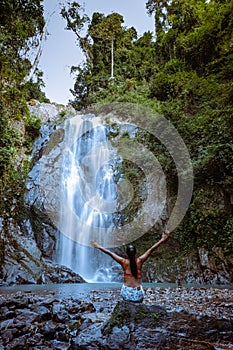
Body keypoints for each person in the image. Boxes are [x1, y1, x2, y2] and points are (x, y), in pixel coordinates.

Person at [90, 230, 170, 303]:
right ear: (135, 253)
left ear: (126, 254)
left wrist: (98, 246)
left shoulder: (123, 262)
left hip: (126, 294)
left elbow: (110, 253)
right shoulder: (140, 261)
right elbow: (151, 249)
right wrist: (162, 240)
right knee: (139, 290)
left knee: (125, 289)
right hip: (138, 295)